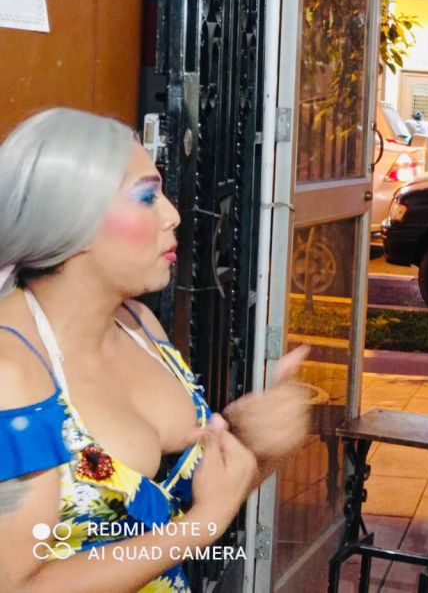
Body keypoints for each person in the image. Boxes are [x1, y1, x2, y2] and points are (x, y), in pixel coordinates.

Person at [0, 108, 310, 592]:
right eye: (147, 196)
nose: (173, 215)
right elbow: (17, 585)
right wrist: (201, 527)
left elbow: (182, 509)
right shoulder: (10, 373)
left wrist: (255, 442)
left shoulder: (139, 327)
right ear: (70, 217)